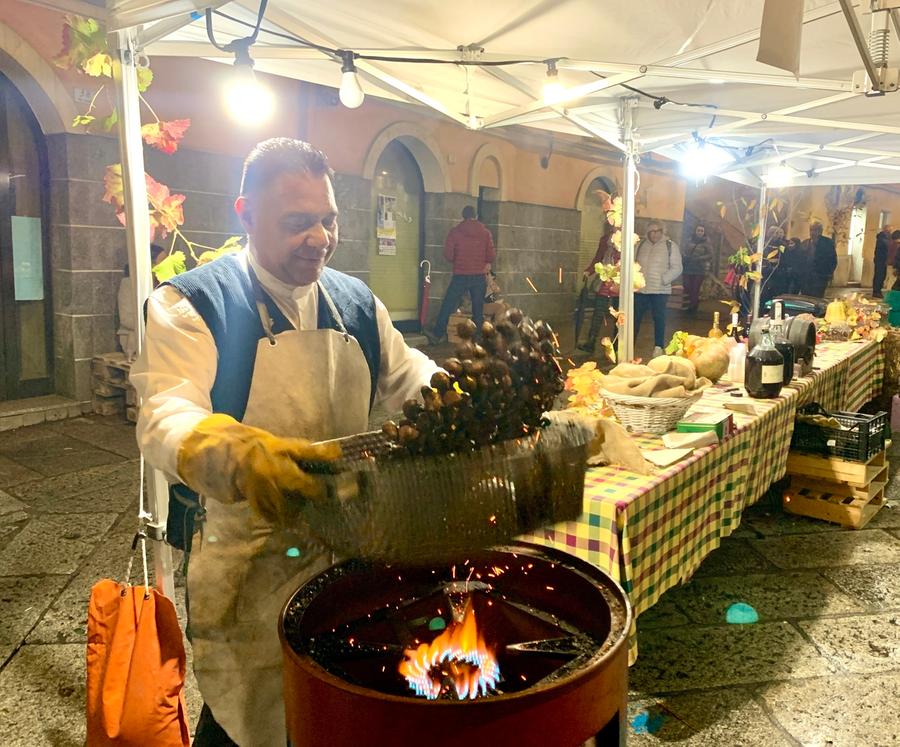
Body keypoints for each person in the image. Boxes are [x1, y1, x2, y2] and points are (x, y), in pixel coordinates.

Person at [131, 138, 439, 747]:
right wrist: (234, 452)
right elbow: (165, 408)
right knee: (248, 715)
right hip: (248, 557)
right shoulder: (191, 305)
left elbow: (411, 380)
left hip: (350, 546)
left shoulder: (357, 303)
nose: (320, 238)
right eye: (298, 224)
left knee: (337, 708)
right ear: (244, 214)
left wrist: (455, 394)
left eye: (328, 220)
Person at [425, 205, 495, 343]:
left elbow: (448, 255)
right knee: (477, 308)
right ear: (475, 216)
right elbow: (491, 256)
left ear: (463, 216)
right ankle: (477, 338)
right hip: (478, 276)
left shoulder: (455, 232)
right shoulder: (486, 233)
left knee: (448, 304)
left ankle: (438, 333)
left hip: (460, 274)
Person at [634, 221, 682, 357]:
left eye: (658, 231)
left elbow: (677, 267)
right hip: (641, 290)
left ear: (663, 231)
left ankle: (658, 346)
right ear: (647, 232)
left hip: (660, 291)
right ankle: (630, 345)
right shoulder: (640, 245)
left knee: (659, 319)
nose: (655, 234)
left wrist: (664, 279)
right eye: (652, 231)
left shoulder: (670, 246)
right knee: (635, 318)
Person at [116, 243, 168, 360]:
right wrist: (158, 324)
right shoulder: (129, 284)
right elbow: (126, 319)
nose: (166, 266)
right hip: (134, 338)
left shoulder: (163, 284)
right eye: (162, 263)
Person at [578, 223, 620, 353]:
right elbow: (598, 258)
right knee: (597, 314)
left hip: (619, 285)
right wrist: (589, 271)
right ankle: (591, 342)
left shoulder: (629, 240)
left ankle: (618, 345)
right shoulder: (605, 239)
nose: (616, 228)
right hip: (604, 282)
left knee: (619, 317)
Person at [680, 223, 712, 313]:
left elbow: (710, 254)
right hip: (688, 267)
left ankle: (692, 307)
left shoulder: (706, 242)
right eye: (698, 230)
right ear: (695, 231)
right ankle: (692, 302)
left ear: (704, 232)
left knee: (695, 288)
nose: (700, 232)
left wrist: (700, 258)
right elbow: (683, 249)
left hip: (699, 269)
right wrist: (685, 256)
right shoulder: (689, 240)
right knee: (687, 286)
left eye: (702, 231)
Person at [801, 221, 837, 298]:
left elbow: (833, 260)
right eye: (811, 230)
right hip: (806, 278)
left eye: (815, 230)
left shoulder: (827, 243)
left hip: (820, 277)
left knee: (817, 298)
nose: (812, 232)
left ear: (820, 231)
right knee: (805, 298)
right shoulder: (805, 243)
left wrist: (827, 274)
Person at [873, 225, 893, 298]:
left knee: (882, 275)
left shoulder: (885, 237)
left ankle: (878, 290)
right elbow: (887, 245)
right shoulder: (882, 237)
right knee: (879, 275)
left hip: (883, 259)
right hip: (880, 259)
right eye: (889, 230)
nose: (890, 231)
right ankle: (876, 291)